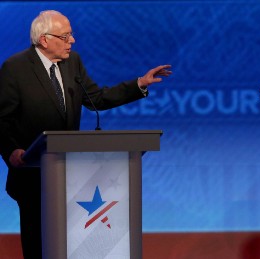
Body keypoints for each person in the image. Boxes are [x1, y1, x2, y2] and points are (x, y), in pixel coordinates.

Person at [0, 10, 172, 258]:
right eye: (66, 35)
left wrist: (139, 85)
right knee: (39, 246)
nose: (73, 41)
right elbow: (2, 121)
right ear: (44, 39)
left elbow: (96, 99)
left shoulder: (73, 62)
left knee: (73, 246)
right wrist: (12, 151)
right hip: (32, 177)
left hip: (73, 177)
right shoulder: (15, 68)